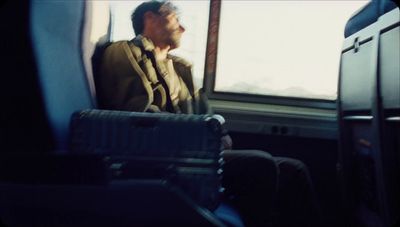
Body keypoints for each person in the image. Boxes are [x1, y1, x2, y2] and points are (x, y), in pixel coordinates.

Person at [95, 1, 320, 226]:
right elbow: (138, 117)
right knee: (260, 164)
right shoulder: (124, 52)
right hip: (165, 157)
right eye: (176, 19)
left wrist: (220, 132)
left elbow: (206, 112)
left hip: (197, 151)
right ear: (150, 18)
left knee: (294, 170)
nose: (183, 28)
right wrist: (201, 138)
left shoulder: (180, 68)